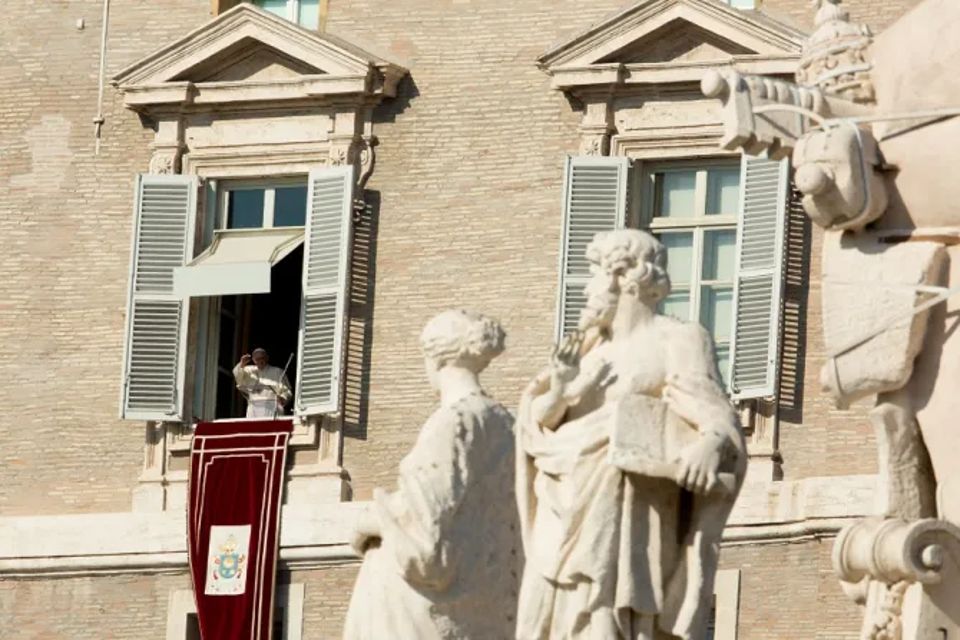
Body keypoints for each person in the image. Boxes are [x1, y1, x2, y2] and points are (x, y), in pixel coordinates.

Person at [515, 229, 747, 640]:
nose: (585, 288)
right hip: (562, 507)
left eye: (594, 275)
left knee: (612, 615)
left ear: (625, 279)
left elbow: (713, 413)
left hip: (631, 510)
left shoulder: (676, 338)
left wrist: (711, 443)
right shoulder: (583, 351)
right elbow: (537, 427)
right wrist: (560, 388)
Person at [343, 310, 521, 640]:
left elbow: (425, 538)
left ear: (435, 359)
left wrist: (374, 517)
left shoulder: (451, 423)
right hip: (490, 606)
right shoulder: (507, 424)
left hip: (424, 613)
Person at [232, 348, 292, 418]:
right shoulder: (249, 370)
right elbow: (237, 376)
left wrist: (283, 398)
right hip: (253, 408)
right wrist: (242, 364)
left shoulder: (278, 371)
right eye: (257, 359)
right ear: (253, 360)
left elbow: (287, 391)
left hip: (272, 408)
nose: (260, 361)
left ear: (267, 358)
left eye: (262, 358)